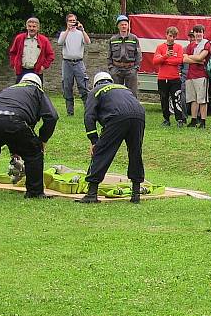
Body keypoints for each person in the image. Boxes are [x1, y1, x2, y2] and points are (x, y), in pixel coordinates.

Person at [0, 74, 59, 199]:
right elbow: (52, 117)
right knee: (34, 153)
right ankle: (34, 192)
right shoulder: (36, 91)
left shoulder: (8, 89)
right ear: (38, 84)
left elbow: (1, 113)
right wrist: (42, 140)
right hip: (14, 120)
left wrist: (15, 148)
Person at [77, 72, 146, 204]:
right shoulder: (124, 88)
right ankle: (136, 193)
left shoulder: (95, 91)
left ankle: (92, 193)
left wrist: (94, 140)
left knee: (102, 152)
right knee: (135, 152)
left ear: (95, 83)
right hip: (139, 115)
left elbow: (89, 116)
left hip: (116, 117)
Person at [57, 13, 91, 116]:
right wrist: (67, 30)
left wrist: (82, 30)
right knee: (67, 86)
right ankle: (70, 112)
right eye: (70, 21)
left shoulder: (80, 33)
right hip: (67, 63)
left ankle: (88, 110)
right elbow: (60, 42)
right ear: (67, 22)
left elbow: (88, 42)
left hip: (78, 62)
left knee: (83, 86)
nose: (72, 22)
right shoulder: (64, 33)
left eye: (73, 21)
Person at [152, 26, 185, 127]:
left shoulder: (179, 47)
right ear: (166, 35)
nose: (171, 38)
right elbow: (155, 61)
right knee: (164, 99)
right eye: (170, 36)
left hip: (175, 78)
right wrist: (166, 56)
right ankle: (166, 119)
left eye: (174, 36)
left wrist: (165, 61)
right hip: (162, 78)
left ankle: (179, 119)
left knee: (176, 98)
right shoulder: (160, 47)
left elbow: (179, 61)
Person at [183, 24, 211, 128]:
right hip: (190, 75)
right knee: (193, 99)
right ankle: (194, 119)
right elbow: (184, 59)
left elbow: (202, 57)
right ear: (194, 33)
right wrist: (197, 59)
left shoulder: (206, 44)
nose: (198, 34)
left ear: (203, 33)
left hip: (201, 74)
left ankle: (203, 121)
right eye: (196, 32)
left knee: (202, 99)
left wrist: (195, 59)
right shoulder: (190, 45)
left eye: (200, 32)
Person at [8, 17, 55, 83]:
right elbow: (13, 53)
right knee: (20, 92)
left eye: (34, 27)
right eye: (29, 26)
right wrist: (14, 65)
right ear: (26, 27)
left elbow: (50, 55)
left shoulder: (44, 40)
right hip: (22, 71)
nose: (31, 29)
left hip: (37, 72)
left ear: (38, 28)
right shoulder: (19, 38)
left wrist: (43, 67)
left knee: (36, 92)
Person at [107, 15, 141, 97]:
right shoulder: (113, 39)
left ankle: (133, 110)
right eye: (122, 24)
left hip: (130, 70)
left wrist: (136, 68)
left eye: (125, 24)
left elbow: (138, 54)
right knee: (116, 93)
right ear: (118, 26)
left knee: (132, 94)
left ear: (128, 26)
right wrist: (111, 68)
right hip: (116, 70)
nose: (124, 26)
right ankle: (116, 109)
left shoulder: (134, 38)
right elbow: (109, 55)